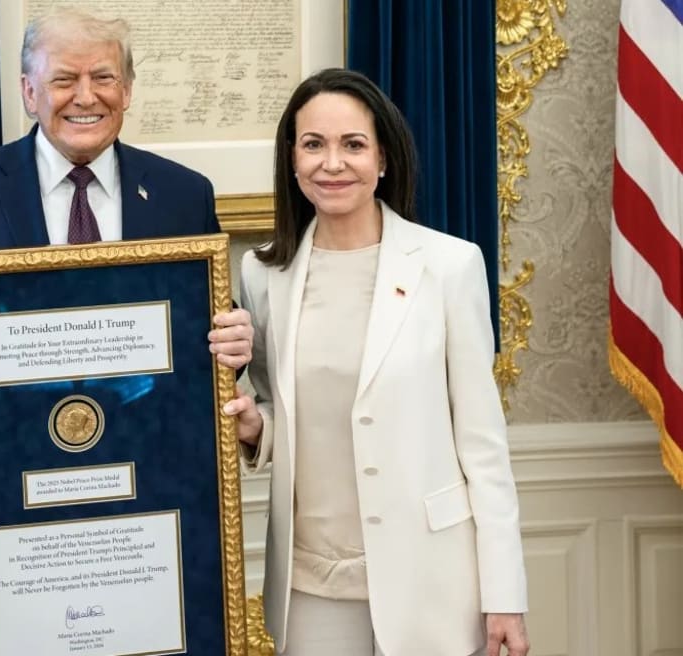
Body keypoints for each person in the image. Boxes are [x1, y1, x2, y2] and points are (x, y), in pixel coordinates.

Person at [223, 68, 529, 656]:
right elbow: (275, 408)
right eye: (313, 145)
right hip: (310, 583)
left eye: (352, 145)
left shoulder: (449, 266)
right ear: (292, 160)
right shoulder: (262, 274)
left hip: (432, 579)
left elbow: (483, 446)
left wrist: (505, 594)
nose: (331, 163)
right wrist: (254, 427)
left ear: (383, 159)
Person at [0, 8, 253, 408]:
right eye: (64, 79)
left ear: (127, 90)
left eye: (103, 77)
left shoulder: (185, 195)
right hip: (3, 445)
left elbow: (209, 322)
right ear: (30, 92)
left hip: (146, 443)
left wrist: (234, 339)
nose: (86, 97)